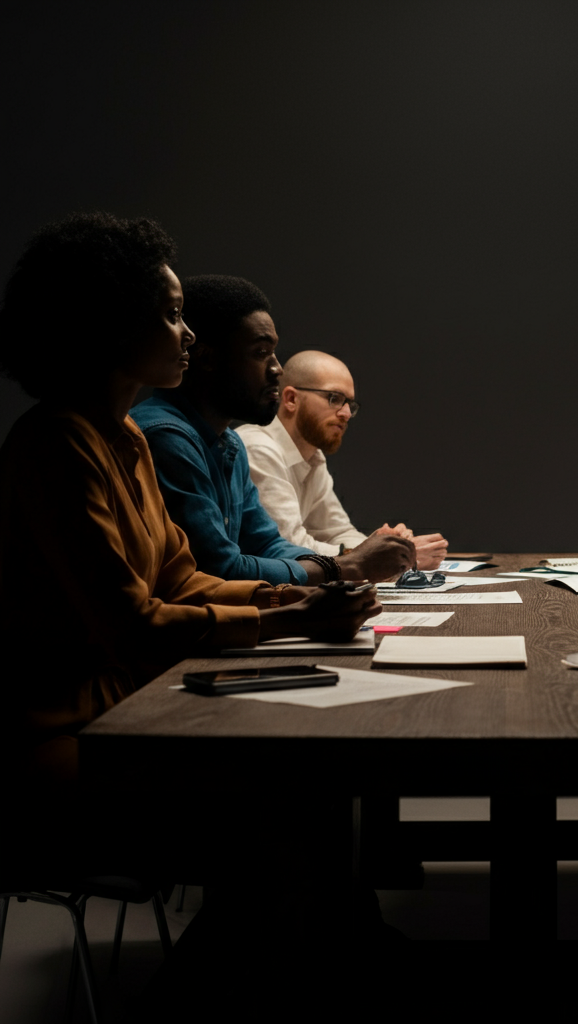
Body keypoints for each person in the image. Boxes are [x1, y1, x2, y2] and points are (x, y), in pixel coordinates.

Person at [0, 214, 380, 816]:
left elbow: (182, 580)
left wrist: (295, 604)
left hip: (133, 700)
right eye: (173, 316)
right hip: (70, 730)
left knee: (305, 754)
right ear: (114, 324)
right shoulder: (58, 444)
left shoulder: (122, 434)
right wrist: (296, 618)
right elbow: (134, 626)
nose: (189, 337)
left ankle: (311, 913)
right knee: (286, 771)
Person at [132, 276, 415, 585]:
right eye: (260, 352)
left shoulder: (229, 444)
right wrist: (347, 565)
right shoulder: (167, 437)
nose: (277, 369)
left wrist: (360, 558)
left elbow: (267, 544)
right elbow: (217, 569)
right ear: (207, 358)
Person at [236, 350, 448, 570]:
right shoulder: (258, 449)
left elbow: (338, 532)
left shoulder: (313, 457)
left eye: (349, 404)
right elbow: (287, 548)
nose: (346, 413)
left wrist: (386, 547)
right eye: (334, 398)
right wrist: (379, 556)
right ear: (291, 399)